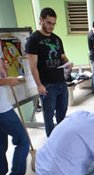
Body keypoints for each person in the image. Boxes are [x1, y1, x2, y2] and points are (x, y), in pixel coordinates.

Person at [25, 7, 72, 137]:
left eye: (53, 23)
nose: (51, 26)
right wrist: (39, 85)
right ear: (41, 20)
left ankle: (61, 138)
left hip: (61, 82)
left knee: (62, 113)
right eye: (48, 23)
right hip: (47, 86)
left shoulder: (57, 39)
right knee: (48, 116)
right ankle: (51, 142)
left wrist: (68, 64)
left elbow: (62, 57)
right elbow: (32, 66)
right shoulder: (33, 40)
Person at [0, 59, 35, 175]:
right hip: (2, 110)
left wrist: (4, 70)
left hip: (2, 107)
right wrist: (8, 80)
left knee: (1, 146)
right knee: (23, 140)